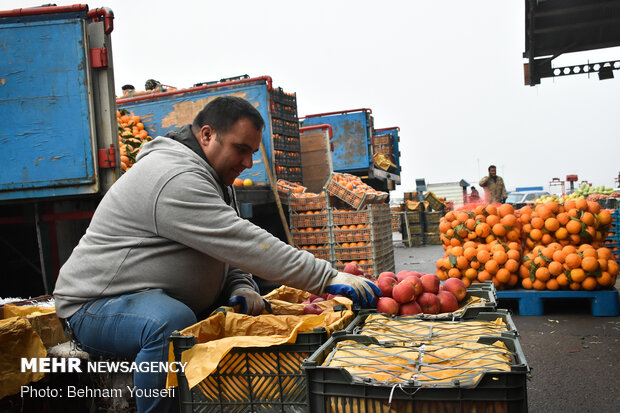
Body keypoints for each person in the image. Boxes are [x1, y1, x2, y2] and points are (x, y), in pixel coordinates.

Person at [53, 96, 379, 412]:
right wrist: (327, 276)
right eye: (241, 149)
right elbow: (241, 240)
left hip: (147, 296)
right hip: (95, 306)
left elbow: (226, 249)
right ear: (207, 135)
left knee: (216, 317)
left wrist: (242, 287)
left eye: (253, 152)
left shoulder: (217, 180)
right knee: (169, 324)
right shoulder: (173, 177)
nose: (249, 162)